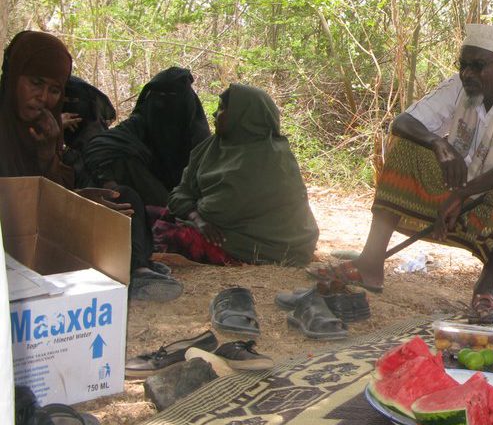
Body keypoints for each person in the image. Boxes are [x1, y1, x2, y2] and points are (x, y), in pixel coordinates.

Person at [314, 24, 493, 323]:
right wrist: (439, 145)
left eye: (478, 66)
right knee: (407, 148)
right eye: (463, 66)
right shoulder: (462, 88)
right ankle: (370, 263)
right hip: (469, 194)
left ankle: (488, 288)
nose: (468, 74)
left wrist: (460, 193)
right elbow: (403, 122)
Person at [0, 30, 182, 301]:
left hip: (41, 229)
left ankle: (138, 269)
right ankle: (131, 268)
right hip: (11, 240)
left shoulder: (46, 129)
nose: (43, 98)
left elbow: (51, 190)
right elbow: (20, 199)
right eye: (35, 83)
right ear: (14, 78)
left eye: (54, 90)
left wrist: (72, 191)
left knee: (124, 198)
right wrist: (65, 202)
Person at [161, 83, 319, 266]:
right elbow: (179, 192)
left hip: (266, 244)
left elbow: (219, 212)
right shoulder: (212, 147)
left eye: (221, 108)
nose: (214, 114)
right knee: (144, 216)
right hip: (208, 225)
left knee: (162, 236)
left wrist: (195, 211)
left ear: (243, 116)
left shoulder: (270, 157)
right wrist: (196, 217)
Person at [84, 67, 209, 206]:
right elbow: (99, 145)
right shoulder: (141, 122)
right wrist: (108, 182)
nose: (164, 105)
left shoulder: (199, 136)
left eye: (173, 97)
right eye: (159, 97)